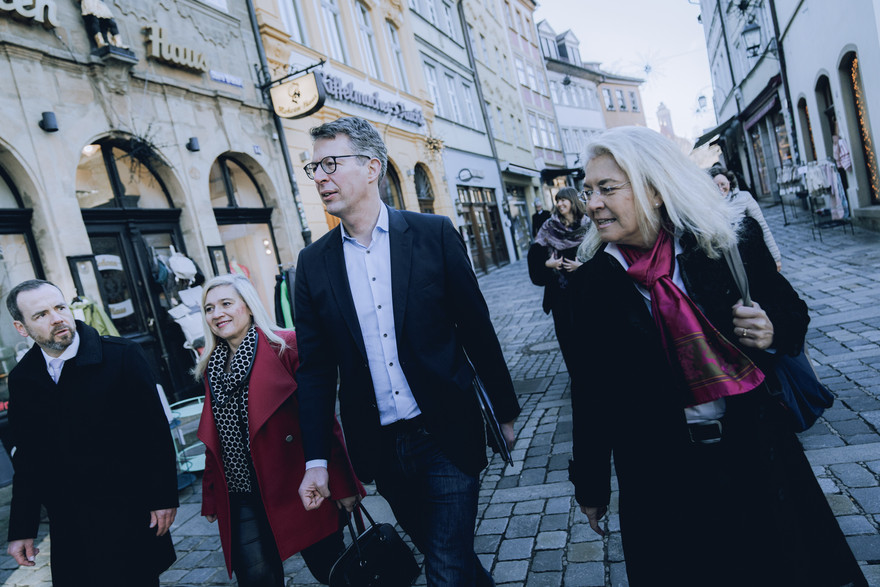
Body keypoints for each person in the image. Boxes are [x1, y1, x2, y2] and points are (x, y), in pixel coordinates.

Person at [567, 127, 866, 587]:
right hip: (660, 475)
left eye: (607, 189)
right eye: (588, 191)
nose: (592, 203)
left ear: (655, 188)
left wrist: (772, 329)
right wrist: (591, 485)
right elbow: (590, 395)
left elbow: (792, 313)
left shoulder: (723, 245)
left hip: (755, 452)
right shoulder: (590, 288)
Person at [294, 116, 521, 587]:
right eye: (312, 167)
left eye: (330, 164)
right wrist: (317, 461)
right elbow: (315, 371)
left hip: (445, 432)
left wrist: (505, 410)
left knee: (442, 566)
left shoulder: (433, 234)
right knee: (454, 559)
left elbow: (477, 329)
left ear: (372, 166)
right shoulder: (313, 264)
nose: (319, 177)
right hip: (380, 447)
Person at [5, 279, 178, 587]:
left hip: (128, 513)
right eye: (41, 314)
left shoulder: (122, 355)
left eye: (60, 307)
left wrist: (163, 496)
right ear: (21, 328)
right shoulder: (22, 379)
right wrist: (22, 528)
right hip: (70, 525)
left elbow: (154, 433)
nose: (57, 317)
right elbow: (28, 460)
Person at [194, 274, 364, 586]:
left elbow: (322, 420)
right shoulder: (212, 366)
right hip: (241, 492)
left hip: (297, 483)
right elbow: (215, 438)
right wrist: (210, 495)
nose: (217, 313)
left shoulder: (286, 347)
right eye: (209, 308)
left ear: (247, 305)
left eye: (226, 303)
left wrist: (343, 483)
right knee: (256, 577)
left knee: (332, 570)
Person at [527, 187, 589, 373]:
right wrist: (548, 264)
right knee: (567, 336)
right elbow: (534, 258)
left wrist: (583, 267)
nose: (560, 204)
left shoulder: (588, 225)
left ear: (573, 201)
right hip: (560, 293)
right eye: (557, 200)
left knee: (588, 334)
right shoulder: (549, 227)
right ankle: (576, 375)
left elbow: (601, 257)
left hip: (585, 291)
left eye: (564, 200)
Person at [710, 166, 782, 271]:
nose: (720, 189)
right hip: (728, 262)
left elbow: (763, 226)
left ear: (729, 182)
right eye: (716, 186)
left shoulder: (744, 197)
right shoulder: (709, 206)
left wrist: (776, 257)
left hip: (752, 254)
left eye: (723, 184)